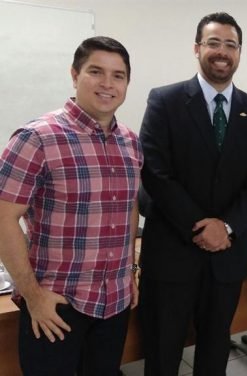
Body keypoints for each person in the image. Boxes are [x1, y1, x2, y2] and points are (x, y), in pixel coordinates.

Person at [138, 12, 247, 376]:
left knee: (215, 350)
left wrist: (226, 226)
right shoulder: (164, 101)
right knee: (163, 352)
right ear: (197, 48)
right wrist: (202, 226)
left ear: (239, 53)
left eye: (231, 45)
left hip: (227, 258)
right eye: (214, 43)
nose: (222, 52)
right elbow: (155, 173)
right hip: (172, 252)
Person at [0, 36, 142, 375]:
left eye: (118, 75)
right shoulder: (36, 137)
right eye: (96, 71)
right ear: (74, 75)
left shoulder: (130, 142)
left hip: (115, 302)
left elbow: (130, 207)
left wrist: (131, 272)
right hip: (57, 306)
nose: (108, 84)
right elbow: (4, 217)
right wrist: (33, 296)